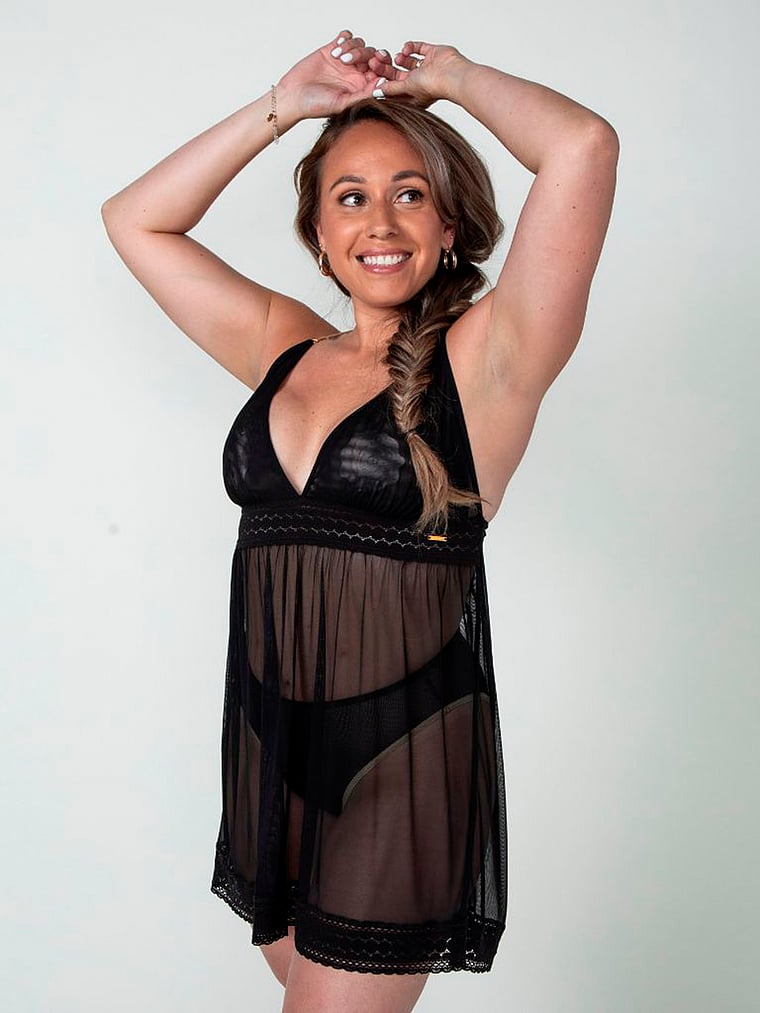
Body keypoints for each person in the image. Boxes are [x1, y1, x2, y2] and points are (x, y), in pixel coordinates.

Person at [102, 29, 617, 1012]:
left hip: (405, 755)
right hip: (269, 747)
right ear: (318, 233)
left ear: (450, 223)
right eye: (350, 197)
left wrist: (453, 79)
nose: (380, 220)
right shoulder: (284, 345)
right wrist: (285, 105)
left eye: (409, 193)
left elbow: (583, 146)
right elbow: (135, 221)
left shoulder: (490, 358)